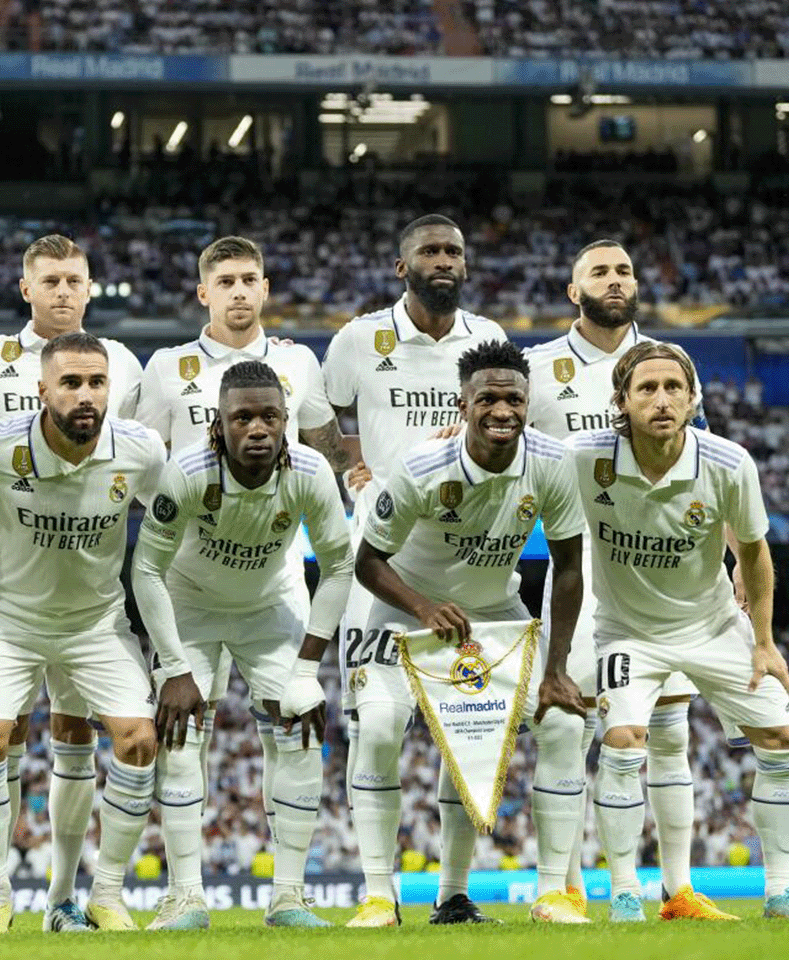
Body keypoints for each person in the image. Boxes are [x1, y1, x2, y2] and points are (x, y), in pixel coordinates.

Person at [136, 235, 357, 875]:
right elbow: (148, 462)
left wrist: (361, 476)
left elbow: (323, 447)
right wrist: (185, 517)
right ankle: (184, 895)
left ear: (265, 289)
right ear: (204, 292)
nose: (238, 290)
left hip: (274, 586)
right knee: (179, 741)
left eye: (249, 279)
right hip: (188, 586)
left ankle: (290, 895)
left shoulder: (299, 363)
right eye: (225, 280)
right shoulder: (166, 367)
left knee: (298, 725)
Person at [354, 339, 590, 924]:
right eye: (487, 398)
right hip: (403, 607)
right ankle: (380, 897)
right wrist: (423, 607)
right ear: (462, 405)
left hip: (495, 610)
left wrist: (556, 668)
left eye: (513, 398)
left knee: (561, 724)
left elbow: (570, 569)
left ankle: (539, 894)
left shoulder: (552, 463)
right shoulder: (422, 468)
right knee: (381, 727)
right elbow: (368, 563)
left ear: (528, 403)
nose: (501, 410)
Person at [0, 332, 166, 933]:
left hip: (96, 623)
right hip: (10, 621)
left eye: (96, 382)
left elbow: (178, 519)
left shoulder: (139, 449)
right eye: (70, 382)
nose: (85, 394)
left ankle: (105, 894)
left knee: (140, 741)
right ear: (42, 390)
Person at [562, 341, 789, 921]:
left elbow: (757, 552)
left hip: (714, 625)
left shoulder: (728, 461)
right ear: (621, 401)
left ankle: (781, 889)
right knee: (621, 743)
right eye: (647, 388)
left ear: (694, 400)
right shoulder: (582, 456)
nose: (662, 399)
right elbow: (518, 460)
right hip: (627, 633)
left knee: (783, 741)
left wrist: (764, 642)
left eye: (674, 388)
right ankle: (623, 893)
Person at [320, 214, 507, 927]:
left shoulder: (488, 342)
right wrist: (353, 467)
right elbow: (324, 414)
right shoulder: (358, 339)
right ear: (403, 267)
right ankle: (377, 893)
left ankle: (453, 894)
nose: (444, 262)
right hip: (381, 564)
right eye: (430, 251)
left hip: (464, 565)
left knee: (468, 730)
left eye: (454, 252)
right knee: (375, 725)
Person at [524, 239, 711, 914]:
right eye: (598, 271)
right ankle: (569, 886)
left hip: (661, 577)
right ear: (573, 291)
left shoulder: (672, 364)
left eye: (624, 270)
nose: (614, 280)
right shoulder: (536, 368)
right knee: (567, 726)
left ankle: (678, 889)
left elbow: (705, 469)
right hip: (578, 573)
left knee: (671, 731)